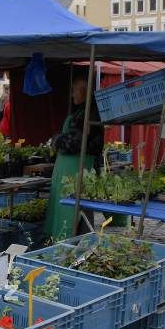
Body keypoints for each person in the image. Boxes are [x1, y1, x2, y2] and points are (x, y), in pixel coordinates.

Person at [43, 76, 104, 239]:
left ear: (83, 92)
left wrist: (56, 140)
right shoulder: (81, 111)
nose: (72, 95)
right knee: (76, 208)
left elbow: (75, 142)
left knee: (74, 210)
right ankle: (72, 240)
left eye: (74, 91)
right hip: (69, 170)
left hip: (77, 170)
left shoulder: (90, 113)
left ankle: (71, 242)